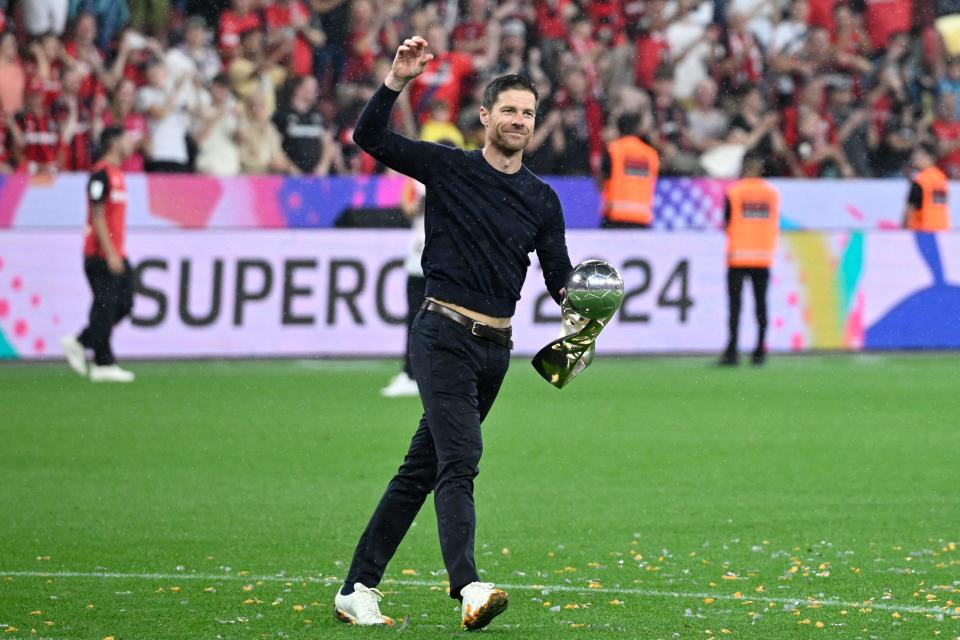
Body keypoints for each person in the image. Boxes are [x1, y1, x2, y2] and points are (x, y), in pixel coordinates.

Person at [335, 37, 572, 631]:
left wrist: (583, 307)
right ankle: (467, 585)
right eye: (509, 110)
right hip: (442, 334)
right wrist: (396, 83)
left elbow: (558, 277)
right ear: (485, 116)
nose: (519, 121)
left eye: (528, 114)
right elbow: (370, 139)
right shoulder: (448, 165)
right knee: (461, 458)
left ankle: (356, 587)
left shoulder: (543, 199)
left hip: (496, 350)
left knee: (421, 471)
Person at [60, 126, 136, 383]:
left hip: (116, 252)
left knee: (124, 304)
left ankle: (80, 342)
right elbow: (97, 216)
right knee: (104, 307)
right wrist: (111, 253)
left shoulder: (117, 174)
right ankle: (103, 363)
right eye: (127, 139)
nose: (131, 145)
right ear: (114, 143)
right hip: (100, 254)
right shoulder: (100, 174)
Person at [719, 154, 779, 366]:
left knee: (735, 307)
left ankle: (732, 351)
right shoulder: (771, 194)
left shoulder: (734, 192)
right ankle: (759, 351)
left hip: (738, 256)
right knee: (761, 306)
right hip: (762, 256)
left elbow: (726, 221)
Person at [599, 112, 660, 228]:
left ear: (618, 129)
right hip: (641, 218)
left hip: (615, 217)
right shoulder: (651, 154)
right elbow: (652, 180)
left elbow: (602, 179)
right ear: (637, 129)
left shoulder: (613, 150)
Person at [904, 143, 950, 231]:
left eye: (918, 155)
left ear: (929, 157)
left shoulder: (920, 179)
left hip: (922, 229)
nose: (914, 158)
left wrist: (903, 228)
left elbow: (911, 207)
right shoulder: (941, 177)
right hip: (941, 227)